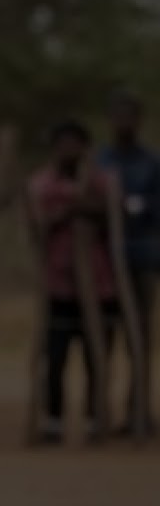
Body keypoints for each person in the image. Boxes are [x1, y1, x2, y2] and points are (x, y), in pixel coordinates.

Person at [29, 121, 120, 444]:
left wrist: (86, 204)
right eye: (62, 144)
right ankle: (53, 419)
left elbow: (116, 215)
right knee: (54, 358)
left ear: (85, 147)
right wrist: (71, 208)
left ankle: (96, 418)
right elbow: (37, 223)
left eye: (74, 144)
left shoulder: (103, 181)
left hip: (100, 284)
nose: (68, 150)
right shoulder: (40, 184)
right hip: (58, 284)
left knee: (98, 357)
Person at [97, 91, 160, 437]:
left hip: (142, 258)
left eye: (129, 117)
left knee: (139, 337)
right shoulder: (101, 160)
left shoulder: (151, 163)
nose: (123, 123)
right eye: (117, 117)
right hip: (103, 261)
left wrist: (132, 206)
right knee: (103, 335)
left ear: (139, 120)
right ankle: (100, 412)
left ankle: (138, 410)